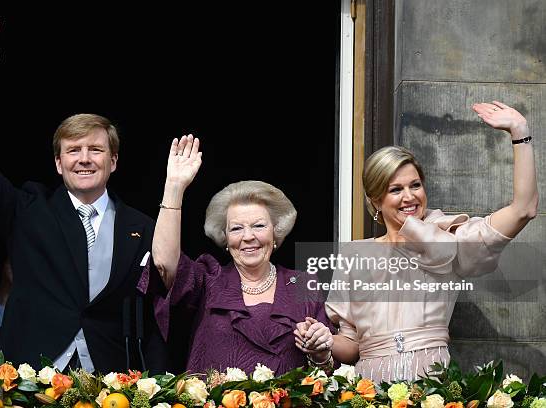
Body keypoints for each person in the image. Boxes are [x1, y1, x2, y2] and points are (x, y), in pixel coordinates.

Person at [0, 16, 166, 373]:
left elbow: (155, 311)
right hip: (30, 375)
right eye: (73, 150)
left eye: (95, 149)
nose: (84, 159)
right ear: (59, 164)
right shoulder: (28, 210)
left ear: (114, 161)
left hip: (111, 382)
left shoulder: (141, 226)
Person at [301, 101, 538, 382]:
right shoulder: (354, 255)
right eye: (395, 189)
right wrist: (323, 342)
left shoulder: (446, 236)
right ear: (376, 199)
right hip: (370, 387)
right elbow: (351, 344)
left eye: (415, 185)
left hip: (431, 383)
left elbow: (524, 209)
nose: (409, 196)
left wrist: (519, 134)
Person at [148, 135, 334, 375]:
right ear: (225, 238)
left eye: (258, 226)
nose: (248, 237)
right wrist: (174, 188)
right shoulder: (208, 279)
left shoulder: (303, 284)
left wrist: (321, 354)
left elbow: (326, 375)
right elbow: (163, 263)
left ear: (276, 232)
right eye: (236, 228)